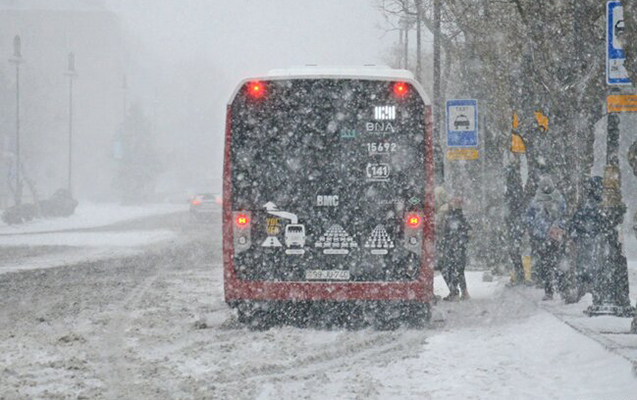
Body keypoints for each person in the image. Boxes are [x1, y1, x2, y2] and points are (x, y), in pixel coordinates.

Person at [525, 175, 566, 300]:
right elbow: (564, 215)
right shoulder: (558, 199)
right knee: (553, 263)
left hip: (546, 237)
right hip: (549, 237)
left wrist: (541, 228)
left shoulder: (536, 201)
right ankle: (556, 288)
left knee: (549, 264)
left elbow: (528, 218)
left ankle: (552, 290)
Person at [567, 176, 606, 302]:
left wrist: (575, 234)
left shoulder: (588, 206)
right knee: (592, 266)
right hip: (592, 241)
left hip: (586, 241)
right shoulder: (598, 206)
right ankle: (590, 290)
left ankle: (585, 290)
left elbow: (575, 223)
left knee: (585, 266)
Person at [440, 196, 472, 300]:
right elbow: (468, 232)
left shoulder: (451, 216)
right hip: (459, 247)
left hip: (452, 247)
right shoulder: (461, 216)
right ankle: (462, 292)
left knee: (447, 269)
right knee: (458, 269)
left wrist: (448, 242)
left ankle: (454, 292)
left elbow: (446, 232)